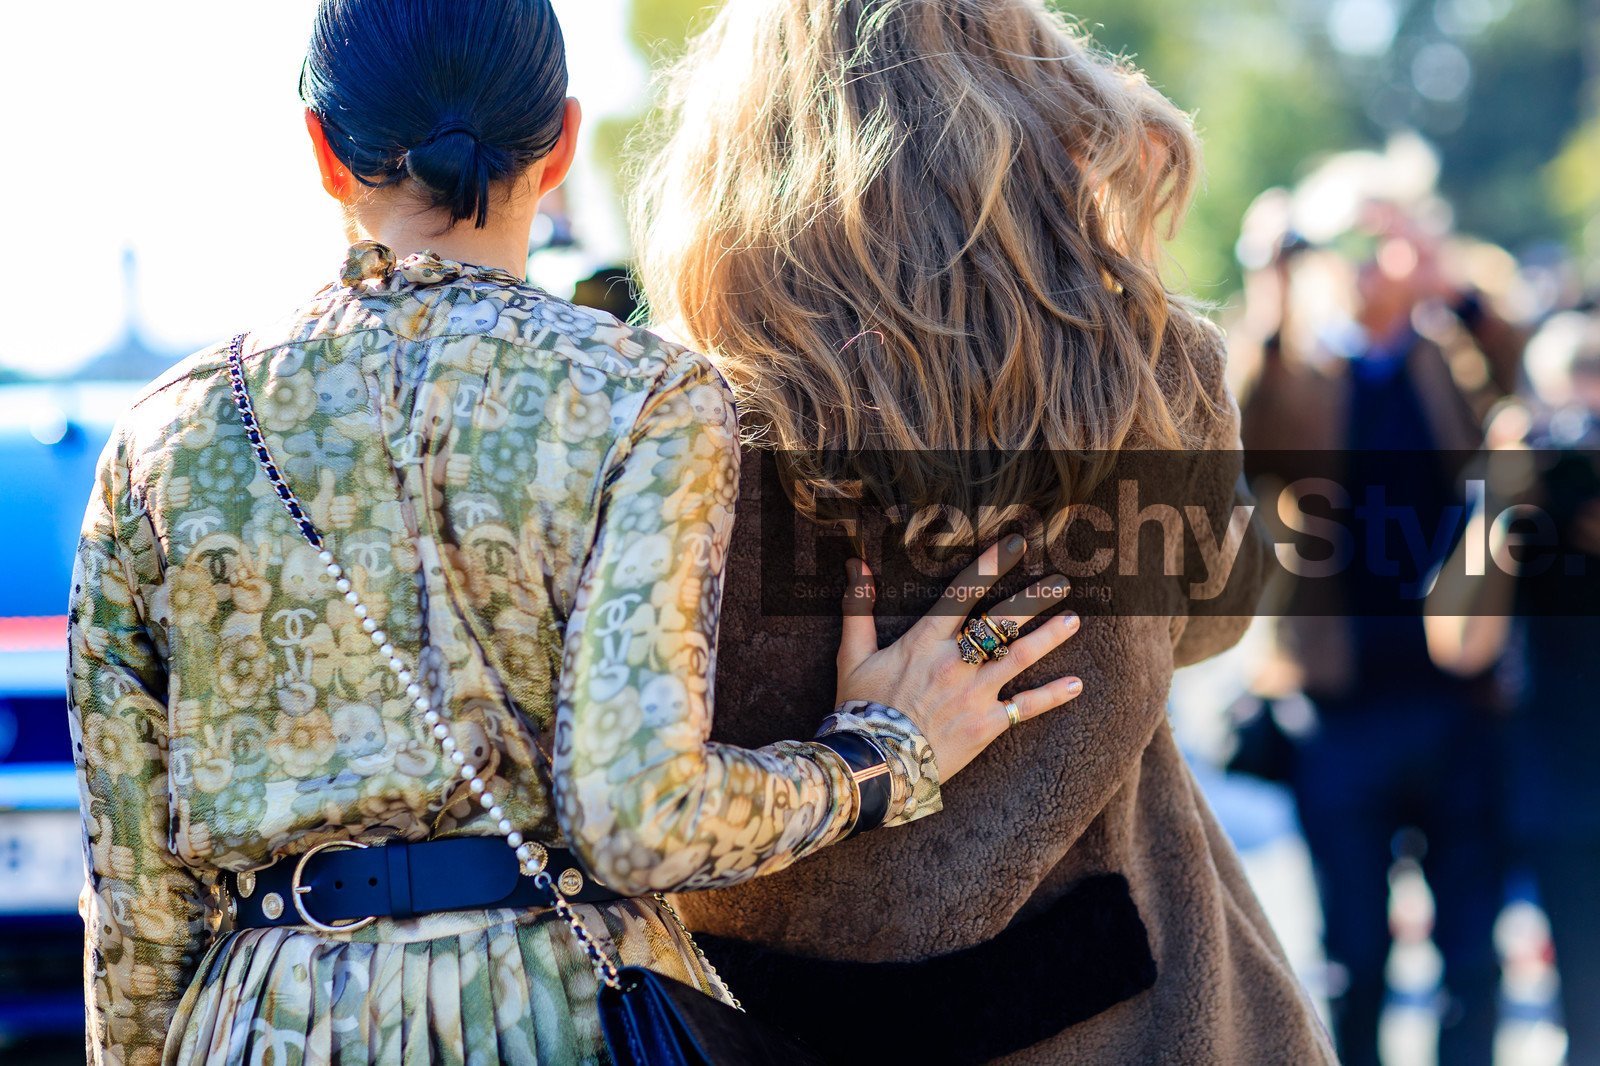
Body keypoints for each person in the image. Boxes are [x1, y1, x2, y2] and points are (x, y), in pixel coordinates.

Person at [68, 3, 1087, 1064]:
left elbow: (137, 910)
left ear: (324, 151)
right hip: (555, 1011)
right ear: (557, 142)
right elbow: (639, 816)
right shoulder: (639, 397)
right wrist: (877, 756)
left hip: (262, 1023)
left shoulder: (163, 440)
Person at [630, 1, 1334, 1062]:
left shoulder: (675, 428)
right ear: (1022, 98)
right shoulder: (1139, 367)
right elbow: (1215, 619)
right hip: (1136, 1014)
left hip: (771, 1024)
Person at [1239, 205, 1521, 1066]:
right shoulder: (1304, 371)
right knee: (1352, 957)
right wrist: (1271, 281)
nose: (1367, 267)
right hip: (1341, 709)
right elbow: (1243, 425)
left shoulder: (1452, 358)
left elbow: (1521, 380)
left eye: (1382, 246)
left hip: (1462, 703)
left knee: (1473, 957)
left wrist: (1453, 282)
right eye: (1346, 248)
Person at [1427, 309, 1600, 1066]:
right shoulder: (1523, 501)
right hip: (1566, 791)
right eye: (1571, 413)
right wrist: (1501, 504)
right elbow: (1460, 646)